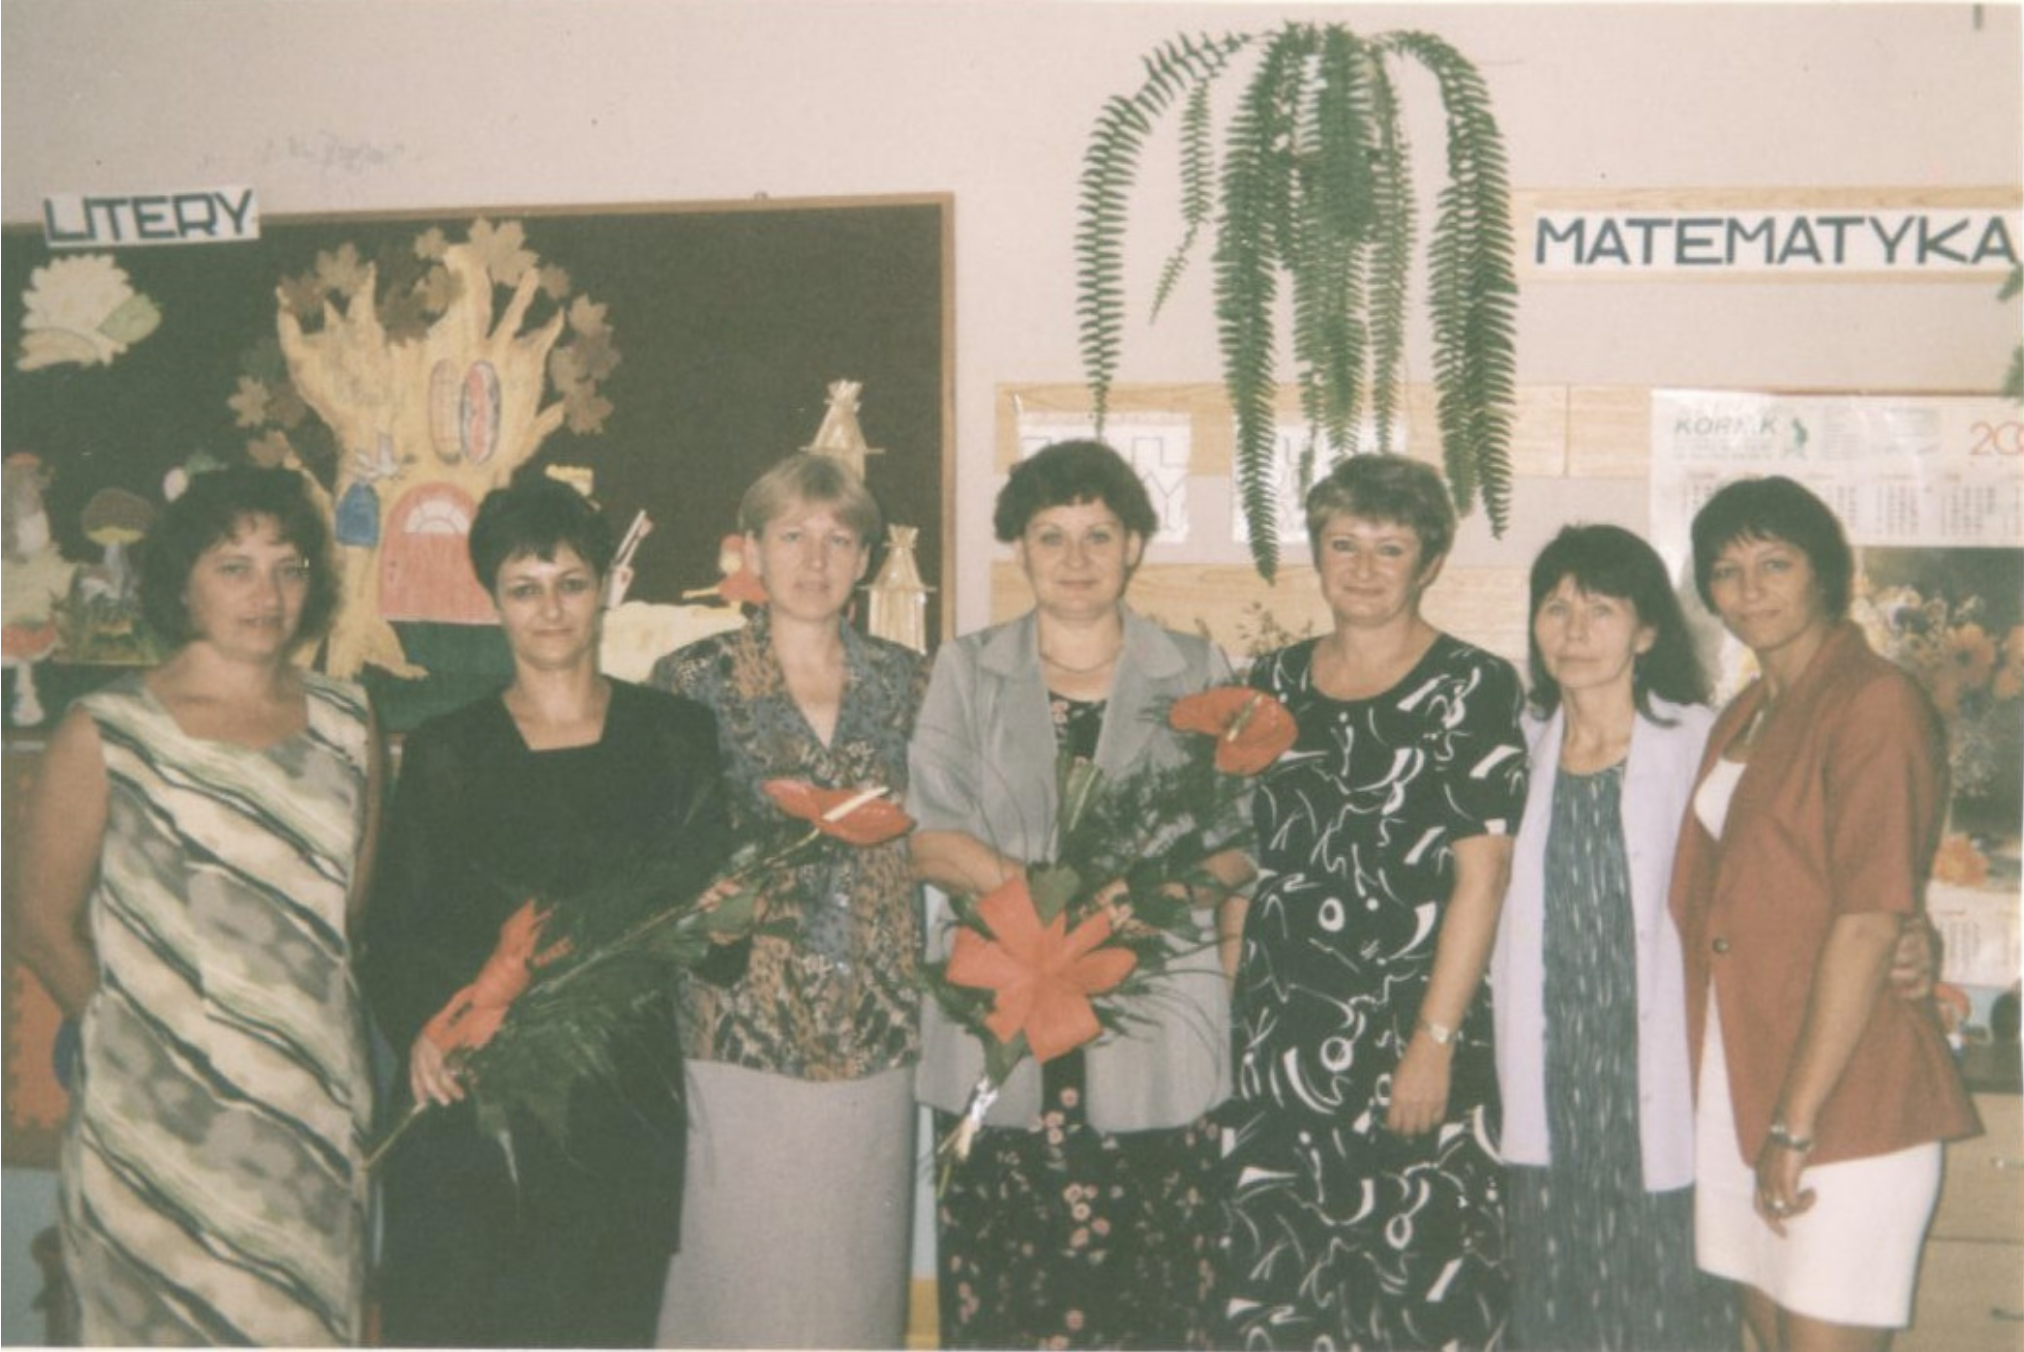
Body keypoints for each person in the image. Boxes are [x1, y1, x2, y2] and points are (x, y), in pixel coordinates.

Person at [361, 473, 733, 1347]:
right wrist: (422, 1030)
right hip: (473, 1096)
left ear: (605, 589)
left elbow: (714, 947)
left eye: (571, 583)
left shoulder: (674, 737)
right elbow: (394, 931)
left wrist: (727, 915)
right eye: (524, 589)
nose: (551, 610)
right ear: (493, 601)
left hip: (617, 1102)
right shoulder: (450, 749)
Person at [10, 466, 380, 1345]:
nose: (267, 594)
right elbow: (35, 922)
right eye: (235, 567)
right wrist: (140, 1034)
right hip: (156, 1125)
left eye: (288, 568)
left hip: (307, 1116)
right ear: (182, 581)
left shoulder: (349, 723)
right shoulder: (106, 729)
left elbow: (341, 920)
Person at [908, 439, 1254, 1349]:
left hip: (1153, 1023)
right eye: (1050, 536)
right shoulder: (966, 669)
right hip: (999, 1020)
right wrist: (1047, 899)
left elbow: (1237, 847)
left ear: (1133, 545)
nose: (1075, 559)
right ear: (1019, 548)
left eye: (1098, 535)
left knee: (1152, 1297)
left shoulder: (1196, 669)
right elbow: (928, 838)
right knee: (1006, 1296)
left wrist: (1153, 895)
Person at [1223, 453, 1526, 1350]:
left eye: (1388, 549)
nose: (1362, 568)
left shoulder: (1473, 684)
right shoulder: (1269, 681)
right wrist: (1236, 989)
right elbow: (1248, 852)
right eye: (1343, 544)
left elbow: (1484, 876)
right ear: (1316, 552)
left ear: (1427, 563)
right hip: (1281, 1035)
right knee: (1282, 1289)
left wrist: (1434, 1042)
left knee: (1418, 1290)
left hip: (1410, 1033)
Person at [1672, 475, 1979, 1351]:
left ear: (1825, 573)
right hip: (1740, 1086)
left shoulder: (1873, 701)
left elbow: (1869, 918)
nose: (1750, 590)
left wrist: (1794, 1123)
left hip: (1841, 1101)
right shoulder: (1745, 713)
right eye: (1726, 571)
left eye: (1775, 564)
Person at [649, 453, 926, 1350]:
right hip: (739, 1026)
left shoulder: (912, 682)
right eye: (793, 535)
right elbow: (659, 854)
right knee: (739, 1276)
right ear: (751, 551)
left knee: (850, 1286)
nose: (815, 559)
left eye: (839, 539)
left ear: (865, 559)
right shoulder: (691, 679)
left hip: (872, 1024)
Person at [1492, 524, 1738, 1349]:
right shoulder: (1516, 744)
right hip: (1553, 1068)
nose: (1573, 630)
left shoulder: (1702, 743)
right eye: (1555, 607)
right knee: (1556, 1298)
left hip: (1659, 1067)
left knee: (1664, 1300)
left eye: (1601, 609)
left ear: (1647, 631)